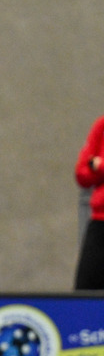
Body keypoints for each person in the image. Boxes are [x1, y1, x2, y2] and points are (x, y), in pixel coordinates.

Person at [74, 115, 104, 290]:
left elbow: (92, 165)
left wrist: (99, 166)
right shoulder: (101, 126)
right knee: (85, 290)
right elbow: (82, 174)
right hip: (100, 223)